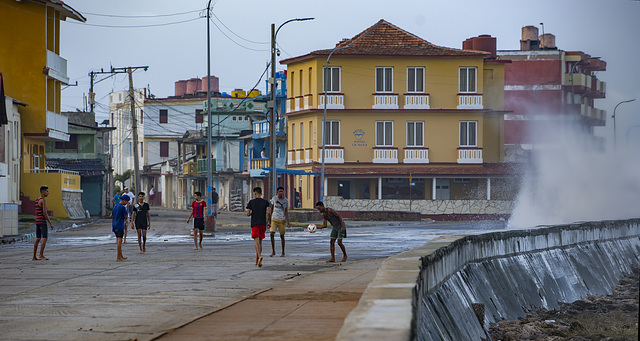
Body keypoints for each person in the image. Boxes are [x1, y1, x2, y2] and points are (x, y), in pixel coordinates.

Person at [246, 187, 270, 267]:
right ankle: (256, 260)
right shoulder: (265, 202)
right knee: (260, 241)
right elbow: (268, 212)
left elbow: (248, 213)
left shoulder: (251, 202)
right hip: (262, 223)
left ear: (255, 193)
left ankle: (259, 256)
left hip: (255, 223)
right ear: (261, 193)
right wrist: (268, 222)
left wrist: (252, 213)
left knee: (256, 240)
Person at [32, 185, 54, 261]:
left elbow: (37, 212)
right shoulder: (43, 201)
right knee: (44, 237)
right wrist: (50, 223)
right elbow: (45, 213)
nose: (48, 193)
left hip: (37, 221)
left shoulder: (36, 200)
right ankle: (41, 255)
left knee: (38, 238)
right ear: (42, 192)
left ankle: (34, 256)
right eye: (47, 191)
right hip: (42, 221)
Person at [268, 186, 290, 257]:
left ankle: (283, 252)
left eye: (282, 191)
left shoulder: (285, 200)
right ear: (277, 192)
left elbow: (286, 211)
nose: (281, 193)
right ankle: (273, 251)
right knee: (271, 234)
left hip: (281, 219)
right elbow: (271, 209)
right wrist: (269, 220)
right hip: (274, 219)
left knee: (282, 236)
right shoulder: (274, 199)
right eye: (280, 191)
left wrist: (288, 222)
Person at [109, 195, 129, 262]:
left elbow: (111, 215)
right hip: (120, 225)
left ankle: (121, 256)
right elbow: (125, 217)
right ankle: (118, 257)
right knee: (119, 242)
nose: (127, 203)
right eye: (126, 201)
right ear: (124, 200)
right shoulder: (123, 208)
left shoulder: (116, 206)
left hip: (114, 224)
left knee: (118, 239)